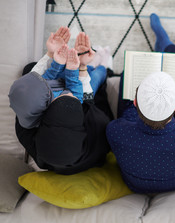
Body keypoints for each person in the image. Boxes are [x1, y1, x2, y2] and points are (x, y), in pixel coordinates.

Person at [106, 13, 175, 194]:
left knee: (125, 76)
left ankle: (165, 44)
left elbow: (127, 116)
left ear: (135, 102)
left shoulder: (115, 132)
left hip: (134, 184)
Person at [10, 27, 112, 175]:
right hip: (84, 98)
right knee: (97, 76)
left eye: (56, 100)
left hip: (55, 93)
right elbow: (89, 100)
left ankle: (74, 66)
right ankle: (104, 65)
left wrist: (51, 55)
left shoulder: (26, 131)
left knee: (29, 69)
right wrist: (81, 66)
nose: (66, 92)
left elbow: (30, 92)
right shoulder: (99, 128)